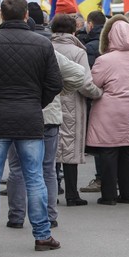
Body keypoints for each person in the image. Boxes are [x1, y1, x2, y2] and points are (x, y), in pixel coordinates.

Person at [0, 0, 63, 252]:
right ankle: (42, 235)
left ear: (1, 15)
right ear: (27, 15)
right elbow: (55, 84)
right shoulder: (42, 44)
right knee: (35, 177)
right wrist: (35, 102)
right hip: (29, 117)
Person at [7, 51, 85, 230]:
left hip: (16, 114)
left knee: (17, 168)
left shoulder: (4, 48)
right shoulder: (47, 50)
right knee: (47, 169)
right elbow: (78, 74)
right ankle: (49, 216)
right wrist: (59, 92)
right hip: (48, 116)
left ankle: (16, 217)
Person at [86, 16, 129, 205]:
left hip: (109, 110)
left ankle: (109, 195)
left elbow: (94, 84)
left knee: (109, 152)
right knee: (128, 151)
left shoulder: (105, 60)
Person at [51, 14, 102, 206]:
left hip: (49, 102)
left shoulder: (45, 46)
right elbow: (84, 82)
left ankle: (52, 193)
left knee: (51, 150)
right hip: (73, 102)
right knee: (69, 152)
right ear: (74, 30)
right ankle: (72, 195)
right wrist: (98, 93)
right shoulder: (78, 51)